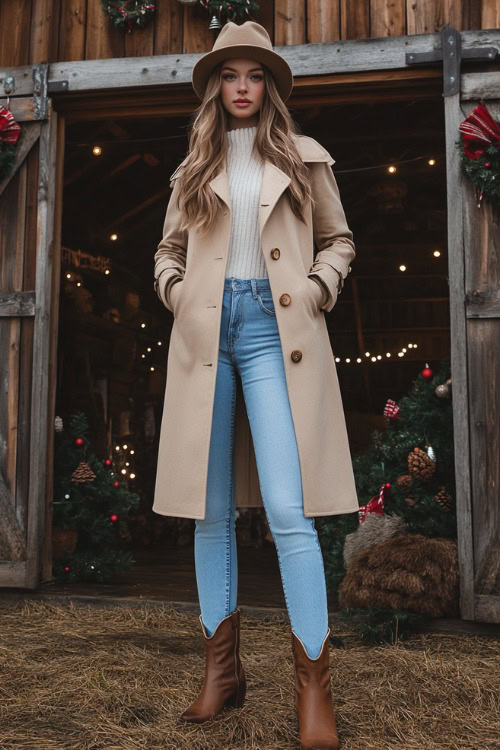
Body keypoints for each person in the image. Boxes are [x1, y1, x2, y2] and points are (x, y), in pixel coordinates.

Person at [153, 20, 358, 750]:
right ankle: (222, 676)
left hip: (278, 331)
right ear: (216, 86)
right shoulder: (192, 167)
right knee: (208, 510)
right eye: (231, 74)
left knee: (287, 507)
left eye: (256, 74)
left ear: (270, 85)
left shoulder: (304, 158)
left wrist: (313, 289)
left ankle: (313, 689)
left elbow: (339, 239)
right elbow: (168, 250)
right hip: (208, 334)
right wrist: (176, 292)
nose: (243, 86)